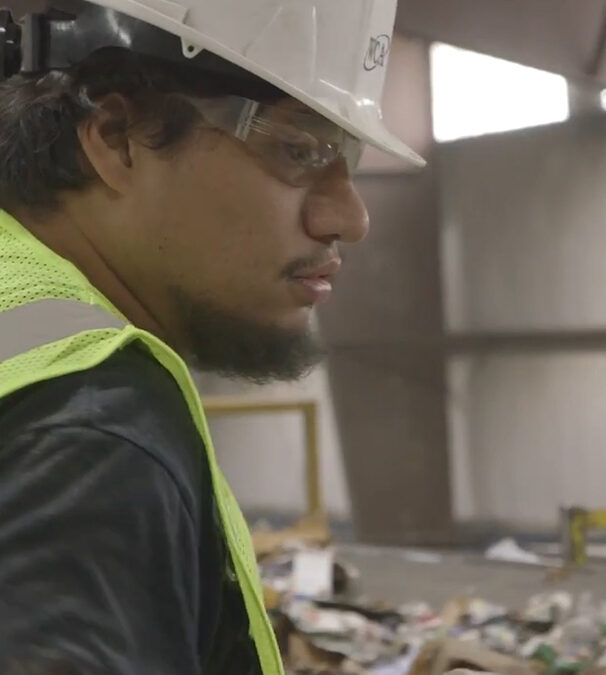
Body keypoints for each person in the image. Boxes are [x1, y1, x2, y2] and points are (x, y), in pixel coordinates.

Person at [0, 0, 423, 673]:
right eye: (298, 149)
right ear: (116, 138)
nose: (349, 216)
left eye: (348, 156)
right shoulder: (87, 427)